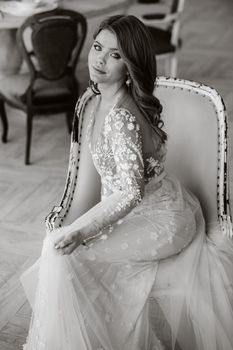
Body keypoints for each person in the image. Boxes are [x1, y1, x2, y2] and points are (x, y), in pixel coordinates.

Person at [21, 15, 233, 350]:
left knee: (67, 256)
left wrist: (82, 231)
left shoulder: (120, 116)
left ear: (130, 65)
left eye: (115, 55)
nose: (100, 60)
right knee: (57, 250)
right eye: (97, 47)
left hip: (162, 220)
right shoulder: (101, 100)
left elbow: (131, 191)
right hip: (150, 203)